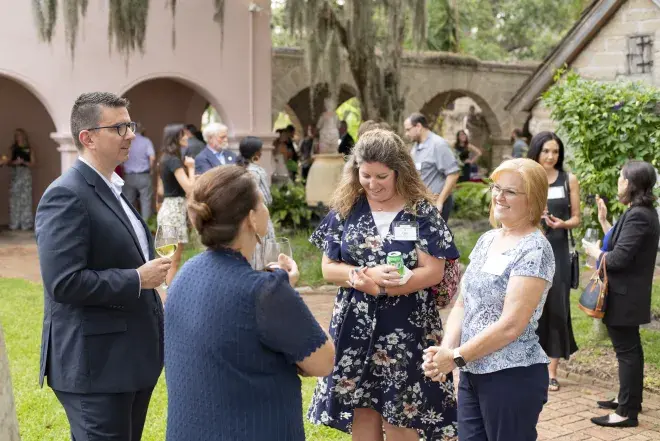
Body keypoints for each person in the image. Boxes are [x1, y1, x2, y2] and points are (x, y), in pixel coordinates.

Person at [307, 129, 461, 440]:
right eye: (365, 175)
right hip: (355, 324)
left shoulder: (421, 210)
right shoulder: (347, 208)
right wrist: (360, 277)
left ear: (399, 171)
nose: (372, 184)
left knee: (401, 410)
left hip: (406, 327)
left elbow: (433, 271)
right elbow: (328, 267)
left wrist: (381, 288)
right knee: (362, 406)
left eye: (381, 176)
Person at [34, 92, 171, 440]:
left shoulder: (112, 188)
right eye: (119, 127)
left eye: (131, 125)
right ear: (88, 137)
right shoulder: (66, 194)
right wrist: (138, 279)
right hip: (95, 367)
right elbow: (63, 283)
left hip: (128, 361)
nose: (130, 135)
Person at [165, 165, 334, 441]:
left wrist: (282, 294)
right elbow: (324, 361)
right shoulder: (265, 293)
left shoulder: (185, 273)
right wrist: (287, 295)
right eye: (262, 202)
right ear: (251, 219)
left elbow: (232, 337)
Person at [424, 158, 555, 441]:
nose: (499, 196)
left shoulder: (535, 249)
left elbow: (511, 325)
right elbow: (463, 302)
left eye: (510, 191)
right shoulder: (488, 240)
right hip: (472, 370)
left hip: (511, 375)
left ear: (532, 199)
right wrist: (446, 351)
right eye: (497, 188)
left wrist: (456, 357)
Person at [583, 160, 660, 428]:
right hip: (627, 294)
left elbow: (618, 259)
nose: (618, 182)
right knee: (629, 350)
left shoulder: (640, 215)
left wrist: (594, 253)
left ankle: (627, 413)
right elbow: (621, 245)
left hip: (625, 295)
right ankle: (629, 400)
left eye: (620, 178)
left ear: (629, 183)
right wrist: (604, 221)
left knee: (627, 352)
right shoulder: (638, 211)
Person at [527, 131, 580, 392]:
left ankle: (551, 370)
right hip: (530, 248)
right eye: (546, 151)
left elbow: (577, 219)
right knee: (530, 303)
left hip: (557, 248)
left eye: (555, 151)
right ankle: (528, 363)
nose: (551, 156)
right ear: (536, 151)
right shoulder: (527, 176)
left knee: (557, 304)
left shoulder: (568, 179)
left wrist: (562, 223)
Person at [158, 124, 196, 286]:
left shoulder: (165, 158)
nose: (187, 137)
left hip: (169, 208)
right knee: (172, 261)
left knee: (169, 260)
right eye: (183, 135)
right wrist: (192, 169)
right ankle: (165, 302)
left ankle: (164, 299)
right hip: (174, 211)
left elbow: (160, 189)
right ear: (176, 139)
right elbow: (189, 188)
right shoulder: (174, 160)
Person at [405, 112, 460, 221]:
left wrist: (440, 201)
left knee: (435, 238)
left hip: (436, 205)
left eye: (408, 129)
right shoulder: (416, 147)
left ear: (418, 127)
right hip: (421, 204)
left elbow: (453, 174)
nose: (406, 133)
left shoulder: (438, 144)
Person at [238, 136, 276, 270]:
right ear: (256, 153)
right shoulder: (258, 171)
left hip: (241, 219)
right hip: (259, 217)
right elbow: (267, 199)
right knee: (264, 256)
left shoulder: (236, 169)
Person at [122, 122, 156, 221]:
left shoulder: (127, 141)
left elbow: (121, 160)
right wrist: (151, 170)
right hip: (144, 175)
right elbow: (152, 157)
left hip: (129, 176)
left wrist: (124, 170)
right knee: (146, 201)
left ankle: (131, 225)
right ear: (142, 130)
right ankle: (146, 227)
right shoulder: (146, 141)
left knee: (128, 202)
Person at [8, 128, 36, 230]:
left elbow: (33, 163)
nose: (18, 137)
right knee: (14, 198)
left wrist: (24, 162)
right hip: (16, 174)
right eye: (16, 136)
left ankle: (26, 223)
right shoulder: (13, 148)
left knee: (25, 198)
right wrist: (14, 163)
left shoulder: (29, 149)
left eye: (20, 135)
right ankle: (14, 222)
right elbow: (9, 162)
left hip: (25, 174)